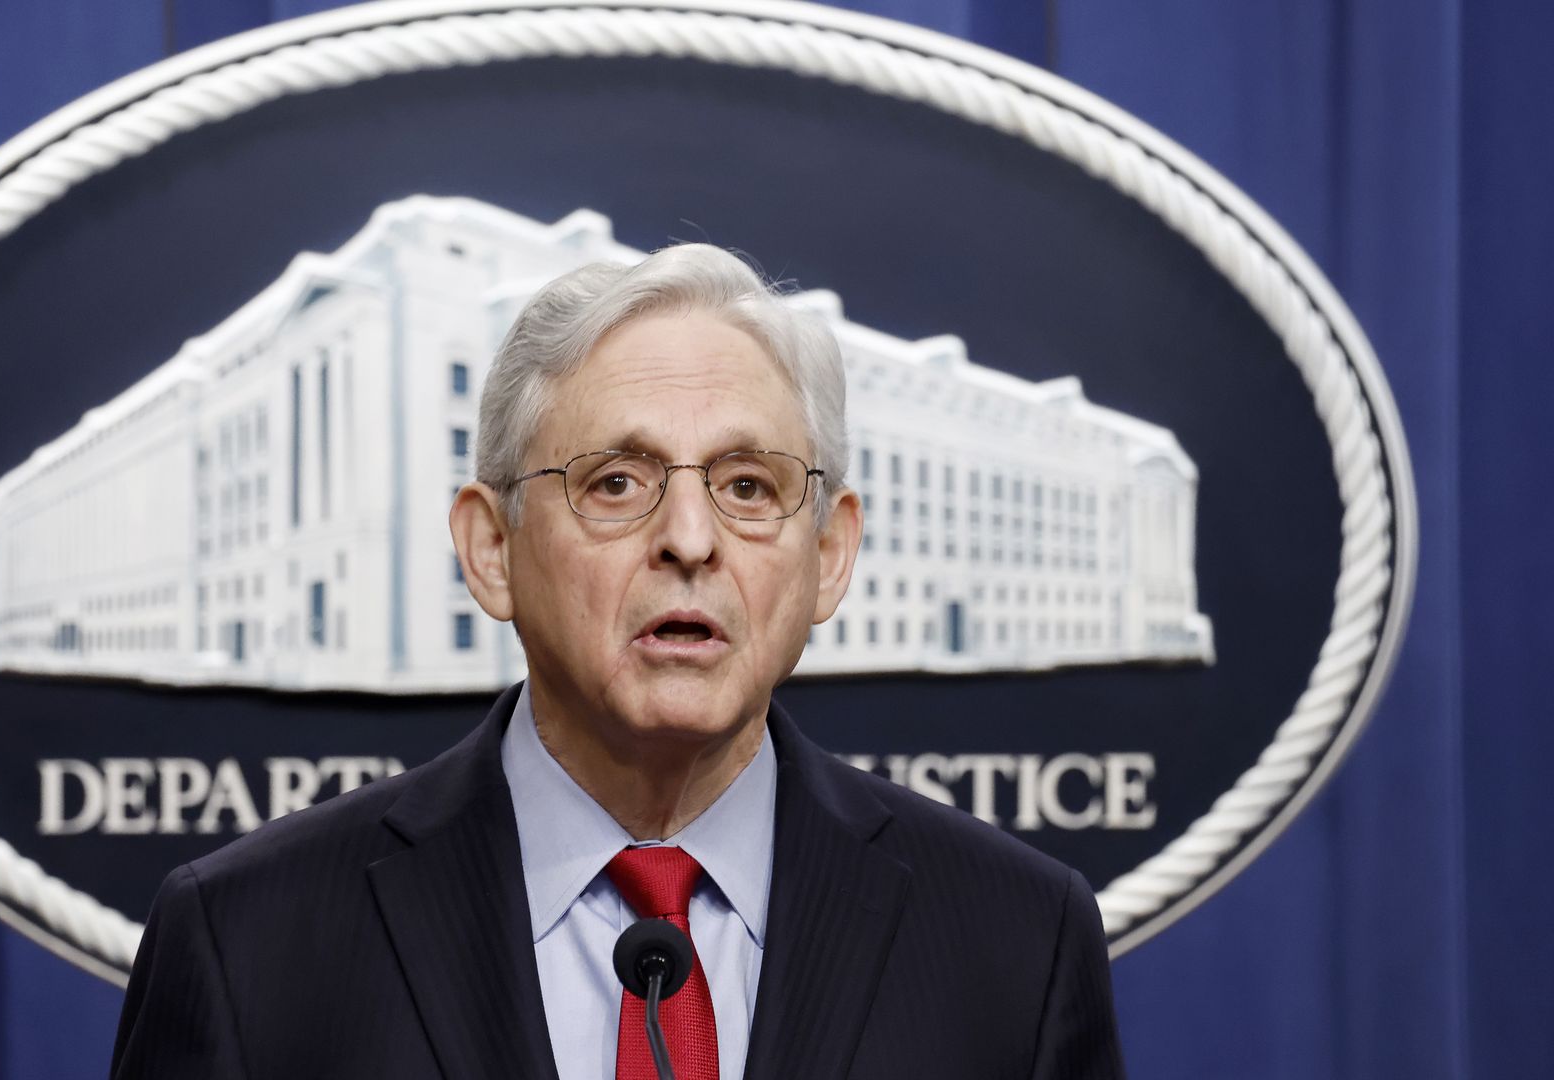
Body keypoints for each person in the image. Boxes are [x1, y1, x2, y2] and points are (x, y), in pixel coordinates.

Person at [111, 245, 1125, 1079]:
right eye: (616, 482)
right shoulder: (249, 943)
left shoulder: (1015, 943)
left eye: (747, 485)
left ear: (828, 555)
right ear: (491, 549)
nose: (690, 537)